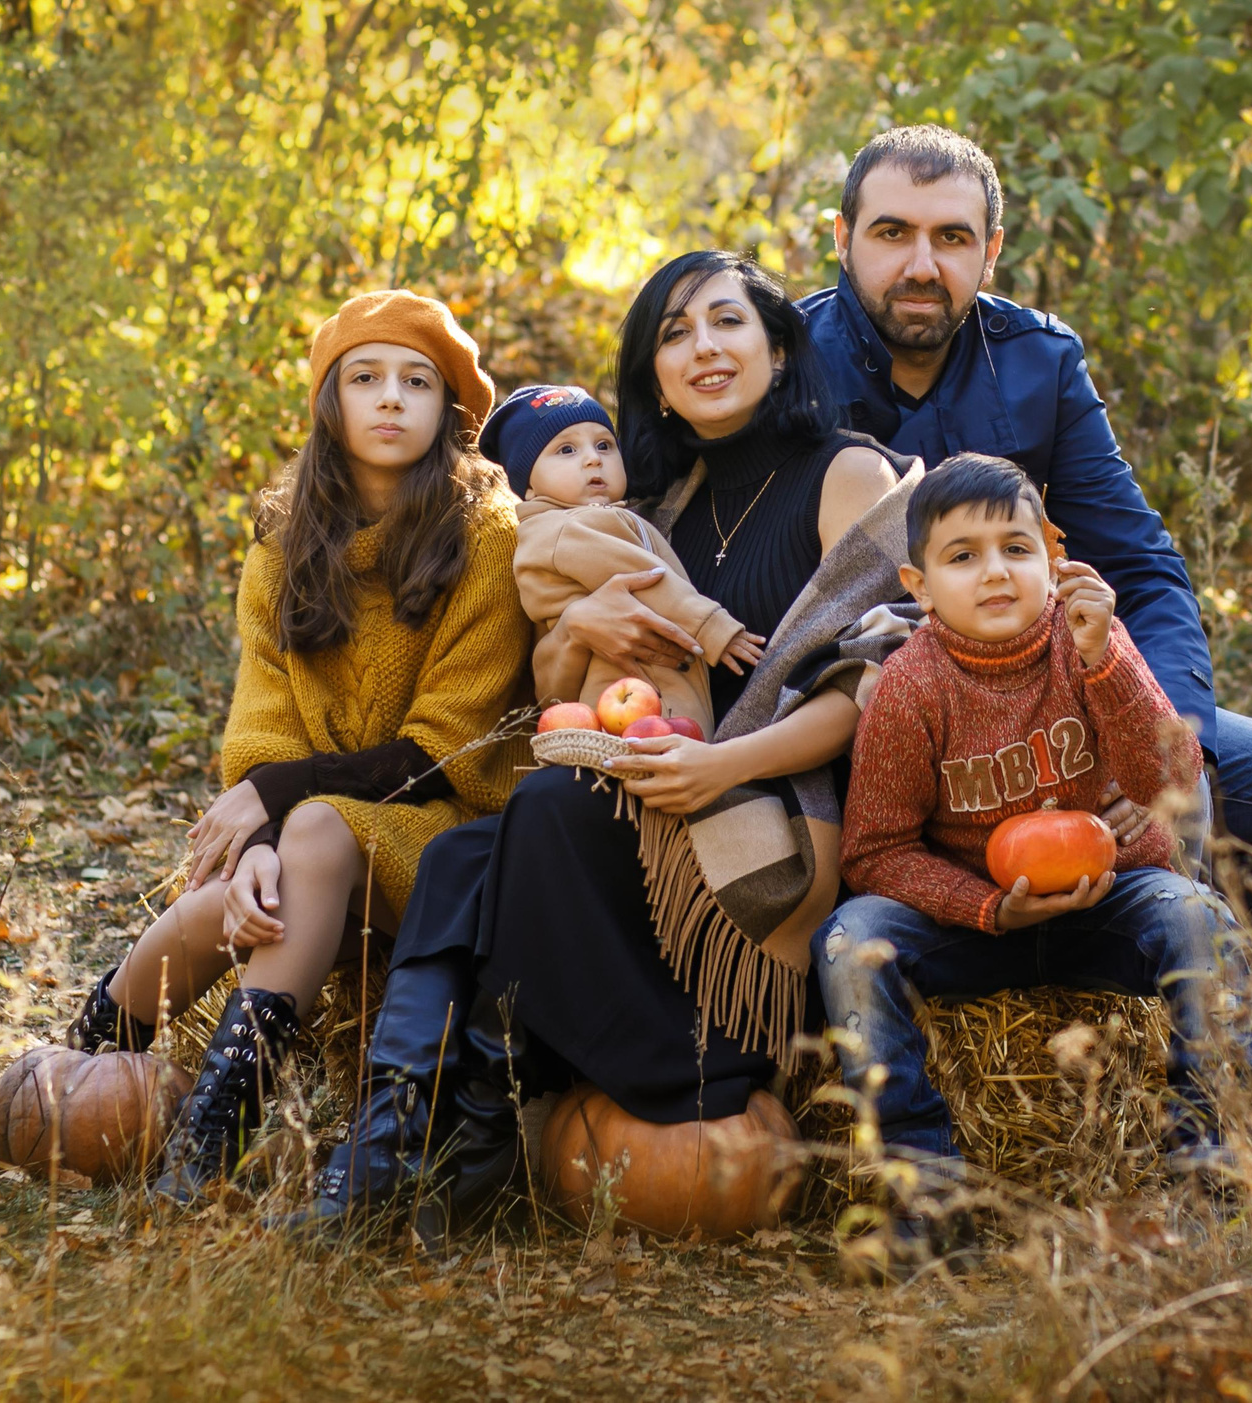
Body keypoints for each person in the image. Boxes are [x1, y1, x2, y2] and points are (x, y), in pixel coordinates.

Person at [282, 252, 908, 1237]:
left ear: (780, 349)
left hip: (768, 802)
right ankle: (412, 1128)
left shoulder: (848, 474)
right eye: (672, 333)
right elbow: (558, 697)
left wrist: (722, 764)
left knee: (545, 807)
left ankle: (653, 1074)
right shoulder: (647, 505)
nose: (701, 347)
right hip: (641, 793)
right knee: (456, 853)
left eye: (726, 323)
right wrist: (579, 635)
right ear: (650, 375)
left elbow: (877, 686)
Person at [798, 124, 1252, 933]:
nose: (922, 266)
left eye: (951, 238)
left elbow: (1141, 562)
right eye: (893, 233)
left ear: (990, 251)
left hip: (1050, 698)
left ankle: (1155, 992)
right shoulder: (784, 362)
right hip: (880, 720)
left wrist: (1170, 745)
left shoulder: (1040, 359)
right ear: (843, 238)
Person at [66, 290, 532, 1203]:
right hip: (323, 834)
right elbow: (263, 728)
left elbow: (445, 747)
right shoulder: (283, 547)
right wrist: (259, 844)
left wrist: (281, 804)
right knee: (225, 904)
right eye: (365, 378)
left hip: (452, 838)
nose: (391, 398)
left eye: (416, 382)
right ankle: (74, 1069)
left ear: (449, 411)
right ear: (331, 401)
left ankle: (209, 1146)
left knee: (314, 830)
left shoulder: (486, 537)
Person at [816, 453, 1252, 1213]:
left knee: (1199, 918)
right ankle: (923, 1180)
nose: (995, 573)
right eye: (963, 556)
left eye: (1016, 549)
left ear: (1054, 557)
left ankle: (1208, 1150)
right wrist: (987, 908)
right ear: (917, 586)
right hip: (974, 923)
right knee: (851, 940)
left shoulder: (1087, 643)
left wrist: (1104, 657)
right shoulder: (911, 686)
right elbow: (873, 851)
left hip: (1108, 899)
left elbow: (1174, 784)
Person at [483, 381, 767, 736]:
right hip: (630, 687)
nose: (593, 458)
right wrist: (712, 627)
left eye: (604, 444)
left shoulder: (590, 520)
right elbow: (643, 578)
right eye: (566, 450)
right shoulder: (565, 530)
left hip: (633, 692)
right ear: (529, 487)